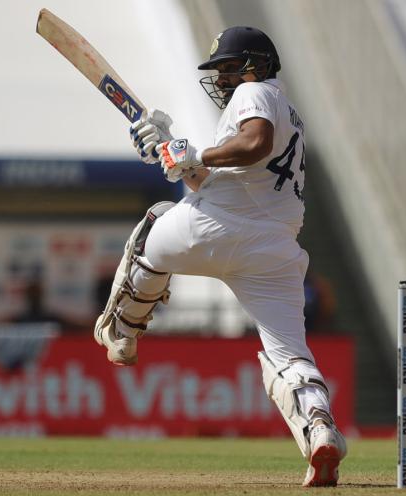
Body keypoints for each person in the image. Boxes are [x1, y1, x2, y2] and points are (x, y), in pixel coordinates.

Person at [93, 26, 347, 486]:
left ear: (258, 66)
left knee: (156, 224)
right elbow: (228, 180)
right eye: (222, 71)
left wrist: (198, 153)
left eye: (230, 68)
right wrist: (173, 150)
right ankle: (321, 430)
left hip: (212, 229)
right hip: (273, 249)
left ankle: (125, 331)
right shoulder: (284, 112)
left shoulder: (257, 94)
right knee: (290, 356)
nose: (224, 79)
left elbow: (255, 144)